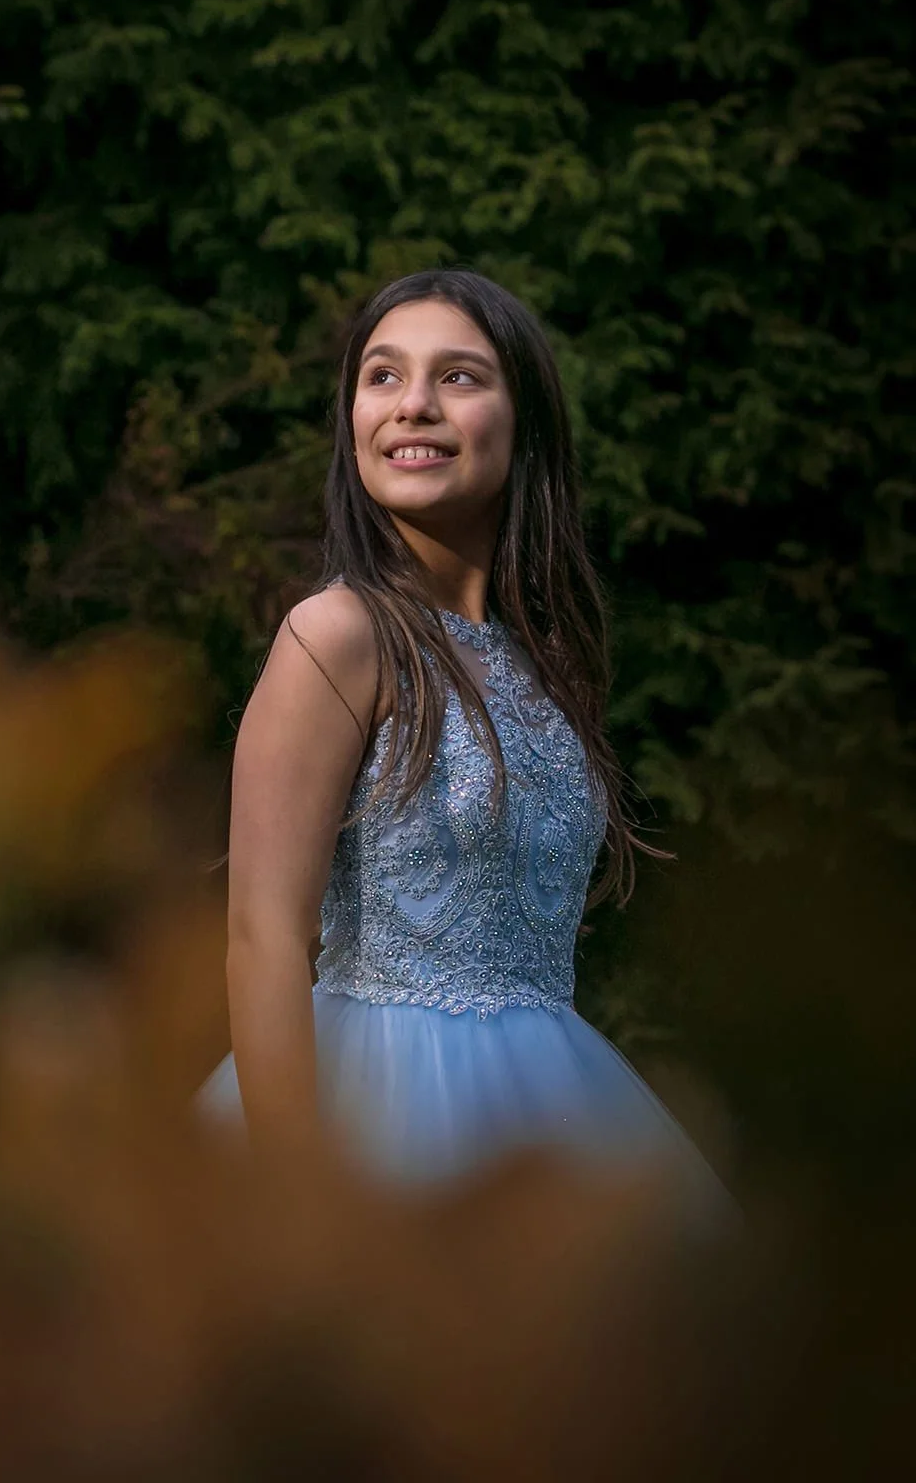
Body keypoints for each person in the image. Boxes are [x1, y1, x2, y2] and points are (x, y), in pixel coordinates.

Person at [200, 268, 731, 1210]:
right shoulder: (339, 634)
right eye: (382, 375)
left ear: (524, 420)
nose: (412, 406)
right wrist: (293, 1202)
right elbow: (263, 934)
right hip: (374, 1120)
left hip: (553, 1114)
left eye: (458, 377)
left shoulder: (546, 659)